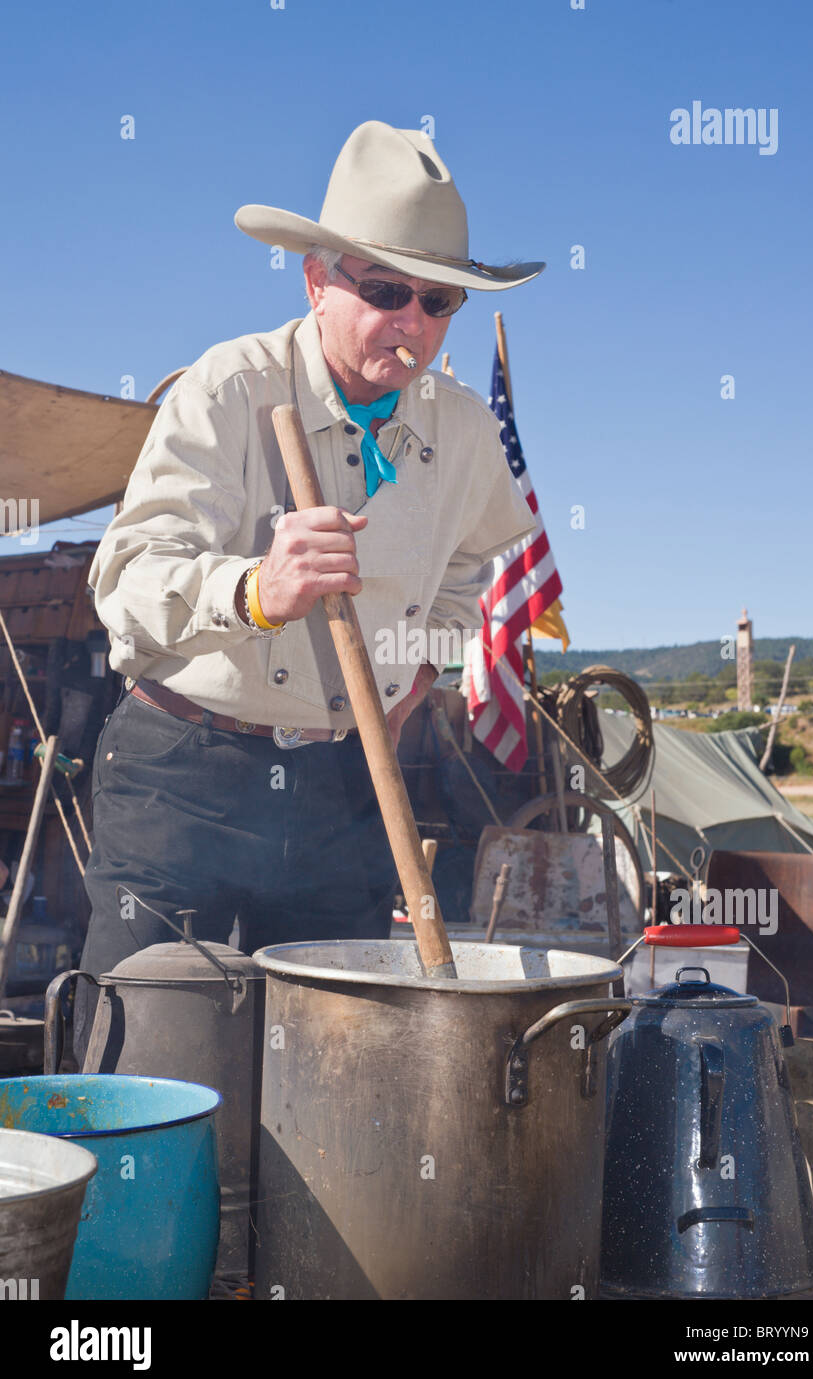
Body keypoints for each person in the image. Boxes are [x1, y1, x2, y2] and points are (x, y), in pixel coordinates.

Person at [74, 119, 542, 1056]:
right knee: (151, 1068)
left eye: (437, 298)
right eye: (382, 290)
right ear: (316, 278)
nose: (410, 320)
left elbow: (468, 573)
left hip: (345, 782)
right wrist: (256, 589)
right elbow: (123, 586)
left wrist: (418, 664)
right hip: (185, 775)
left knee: (333, 1069)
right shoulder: (225, 389)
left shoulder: (461, 435)